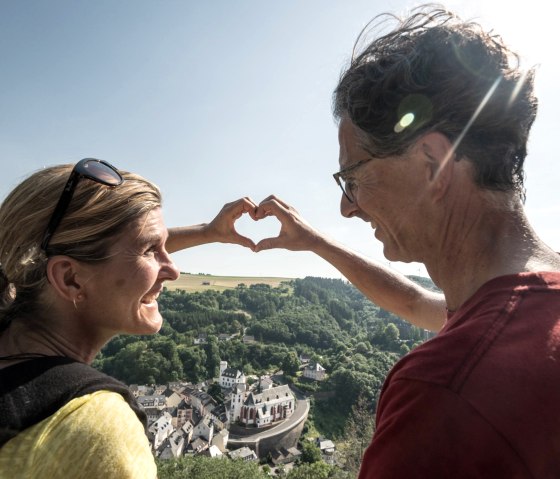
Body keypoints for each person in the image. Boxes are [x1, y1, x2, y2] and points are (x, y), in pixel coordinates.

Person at [253, 5, 560, 478]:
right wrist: (317, 243)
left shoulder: (442, 392)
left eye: (353, 178)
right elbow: (419, 303)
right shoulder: (530, 309)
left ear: (433, 164)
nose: (346, 207)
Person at [0, 158, 257, 478]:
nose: (174, 269)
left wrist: (207, 232)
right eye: (152, 249)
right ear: (69, 280)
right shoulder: (96, 430)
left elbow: (100, 253)